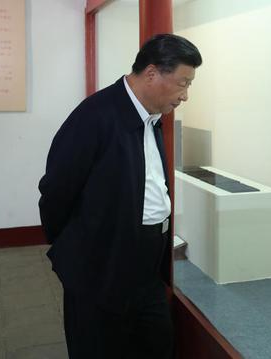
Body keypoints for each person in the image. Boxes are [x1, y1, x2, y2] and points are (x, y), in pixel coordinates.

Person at [38, 34, 202, 359]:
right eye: (183, 83)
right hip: (99, 269)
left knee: (155, 342)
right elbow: (56, 192)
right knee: (98, 347)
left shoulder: (152, 118)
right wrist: (75, 250)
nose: (185, 96)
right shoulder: (95, 116)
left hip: (146, 267)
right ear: (152, 73)